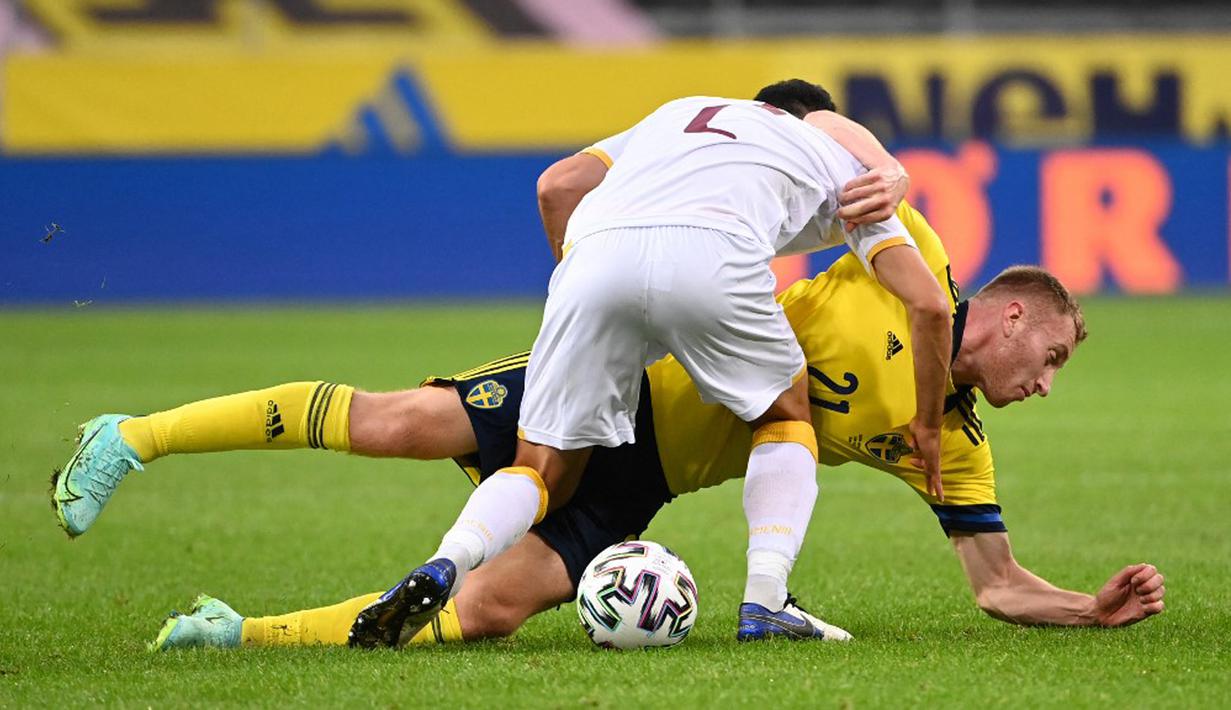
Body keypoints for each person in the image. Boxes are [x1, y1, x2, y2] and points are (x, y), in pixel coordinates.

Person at [53, 203, 1165, 651]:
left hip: (648, 485)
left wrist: (1088, 605)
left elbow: (995, 580)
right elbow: (852, 188)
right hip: (620, 383)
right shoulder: (908, 260)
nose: (1048, 382)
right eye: (1052, 355)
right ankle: (133, 434)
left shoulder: (953, 440)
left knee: (484, 612)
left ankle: (233, 632)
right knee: (395, 421)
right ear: (1011, 313)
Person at [345, 83, 953, 647]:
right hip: (713, 254)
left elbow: (556, 186)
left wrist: (597, 307)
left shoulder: (682, 114)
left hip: (596, 256)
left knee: (543, 467)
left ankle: (448, 560)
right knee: (785, 415)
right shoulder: (835, 159)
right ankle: (766, 601)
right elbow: (928, 304)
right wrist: (926, 423)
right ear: (817, 121)